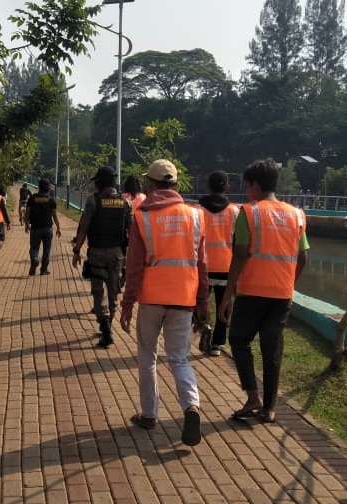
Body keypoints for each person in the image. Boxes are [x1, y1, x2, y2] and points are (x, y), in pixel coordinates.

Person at [120, 159, 208, 446]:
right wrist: (202, 302)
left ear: (150, 184)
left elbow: (133, 267)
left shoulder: (142, 217)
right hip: (184, 298)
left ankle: (149, 415)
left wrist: (127, 304)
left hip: (151, 300)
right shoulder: (195, 216)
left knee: (148, 357)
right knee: (179, 358)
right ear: (176, 184)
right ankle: (191, 406)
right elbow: (201, 265)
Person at [218, 158, 309, 424]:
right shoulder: (296, 214)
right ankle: (269, 408)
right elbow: (303, 258)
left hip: (252, 292)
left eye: (247, 186)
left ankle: (252, 396)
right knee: (272, 349)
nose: (246, 192)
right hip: (282, 294)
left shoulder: (250, 212)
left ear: (255, 185)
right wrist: (289, 282)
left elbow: (240, 256)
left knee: (238, 339)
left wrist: (226, 296)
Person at [72, 166, 132, 348]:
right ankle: (109, 325)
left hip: (97, 253)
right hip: (117, 255)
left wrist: (77, 251)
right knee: (113, 293)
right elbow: (133, 232)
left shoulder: (93, 201)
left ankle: (105, 326)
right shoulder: (125, 203)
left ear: (99, 183)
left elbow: (83, 228)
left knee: (98, 291)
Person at [197, 171, 240, 356]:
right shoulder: (235, 211)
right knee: (224, 304)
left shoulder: (198, 210)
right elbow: (239, 241)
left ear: (208, 186)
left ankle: (203, 328)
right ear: (227, 187)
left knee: (201, 302)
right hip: (226, 266)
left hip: (203, 266)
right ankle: (217, 343)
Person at [25, 177, 61, 275]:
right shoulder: (51, 200)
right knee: (47, 249)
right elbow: (54, 215)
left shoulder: (32, 198)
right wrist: (58, 227)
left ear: (39, 186)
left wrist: (26, 224)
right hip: (47, 228)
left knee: (34, 248)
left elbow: (27, 212)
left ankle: (35, 259)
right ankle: (44, 269)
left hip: (35, 228)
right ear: (48, 187)